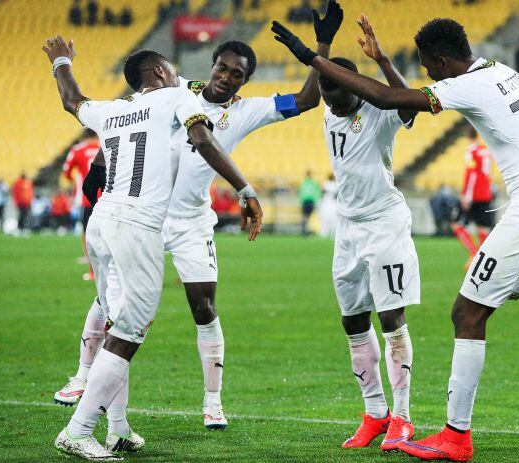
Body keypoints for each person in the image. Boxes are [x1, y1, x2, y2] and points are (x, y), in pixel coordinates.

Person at [272, 12, 519, 463]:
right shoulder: (500, 71)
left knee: (467, 312)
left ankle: (455, 436)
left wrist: (309, 55)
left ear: (444, 59)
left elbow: (392, 99)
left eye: (429, 66)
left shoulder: (462, 83)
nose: (429, 75)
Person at [53, 1, 340, 432]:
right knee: (110, 302)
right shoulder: (176, 91)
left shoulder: (245, 111)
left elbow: (306, 99)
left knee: (203, 307)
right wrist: (99, 164)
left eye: (237, 74)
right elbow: (125, 128)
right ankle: (81, 377)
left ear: (246, 80)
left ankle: (212, 402)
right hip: (143, 217)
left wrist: (320, 45)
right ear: (212, 65)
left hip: (189, 224)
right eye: (222, 68)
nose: (226, 78)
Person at [43, 36, 262, 460]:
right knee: (129, 332)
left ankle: (118, 428)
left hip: (102, 223)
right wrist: (246, 190)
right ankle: (78, 429)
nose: (181, 76)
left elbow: (73, 100)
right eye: (173, 70)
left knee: (115, 321)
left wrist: (61, 61)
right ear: (161, 73)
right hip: (138, 226)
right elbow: (202, 139)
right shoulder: (176, 97)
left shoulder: (114, 110)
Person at [315, 14, 420, 452]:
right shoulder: (327, 102)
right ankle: (374, 414)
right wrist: (321, 47)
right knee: (353, 320)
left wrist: (382, 62)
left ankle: (403, 417)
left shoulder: (379, 111)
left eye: (339, 94)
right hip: (348, 225)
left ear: (356, 86)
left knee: (391, 317)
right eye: (327, 95)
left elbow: (410, 102)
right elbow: (321, 80)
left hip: (384, 222)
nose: (333, 104)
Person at [452, 127, 494, 269]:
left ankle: (474, 253)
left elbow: (472, 173)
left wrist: (466, 196)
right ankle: (482, 260)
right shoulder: (486, 151)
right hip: (486, 193)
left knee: (457, 225)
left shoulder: (471, 151)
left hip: (474, 194)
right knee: (482, 228)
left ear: (467, 137)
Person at [63, 129, 101, 279]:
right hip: (108, 197)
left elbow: (66, 171)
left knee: (87, 235)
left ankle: (92, 272)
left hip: (87, 198)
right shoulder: (106, 145)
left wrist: (75, 184)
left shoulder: (78, 150)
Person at [299, 170, 321, 235]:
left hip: (306, 201)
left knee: (306, 216)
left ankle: (305, 230)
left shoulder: (304, 182)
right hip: (310, 201)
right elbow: (316, 192)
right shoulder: (313, 182)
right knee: (308, 216)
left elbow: (301, 192)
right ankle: (307, 230)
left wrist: (301, 200)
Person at [318, 173, 337, 237]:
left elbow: (322, 193)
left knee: (325, 218)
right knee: (333, 219)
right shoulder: (335, 184)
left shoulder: (326, 184)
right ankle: (333, 233)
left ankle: (324, 233)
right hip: (333, 203)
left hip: (326, 203)